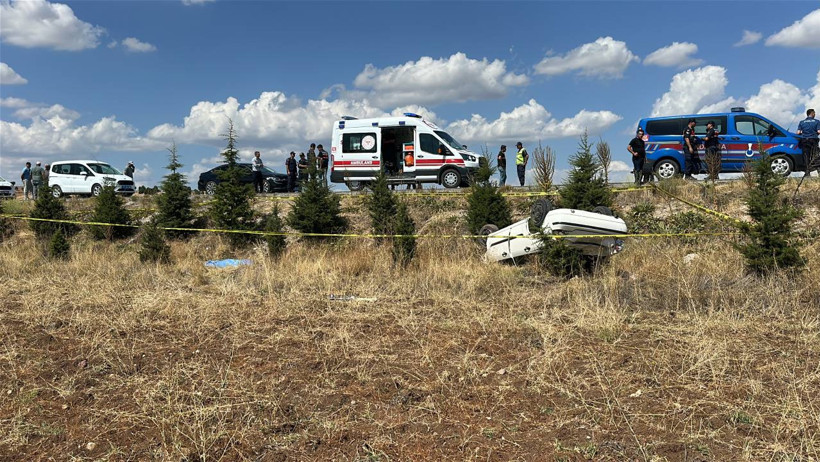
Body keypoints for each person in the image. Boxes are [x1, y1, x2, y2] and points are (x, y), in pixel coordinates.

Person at [797, 108, 820, 176]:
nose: (815, 114)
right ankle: (818, 171)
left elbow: (798, 132)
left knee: (806, 156)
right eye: (814, 113)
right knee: (815, 156)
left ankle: (807, 173)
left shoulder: (802, 122)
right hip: (814, 140)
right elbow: (819, 131)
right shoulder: (817, 121)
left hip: (805, 140)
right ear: (812, 114)